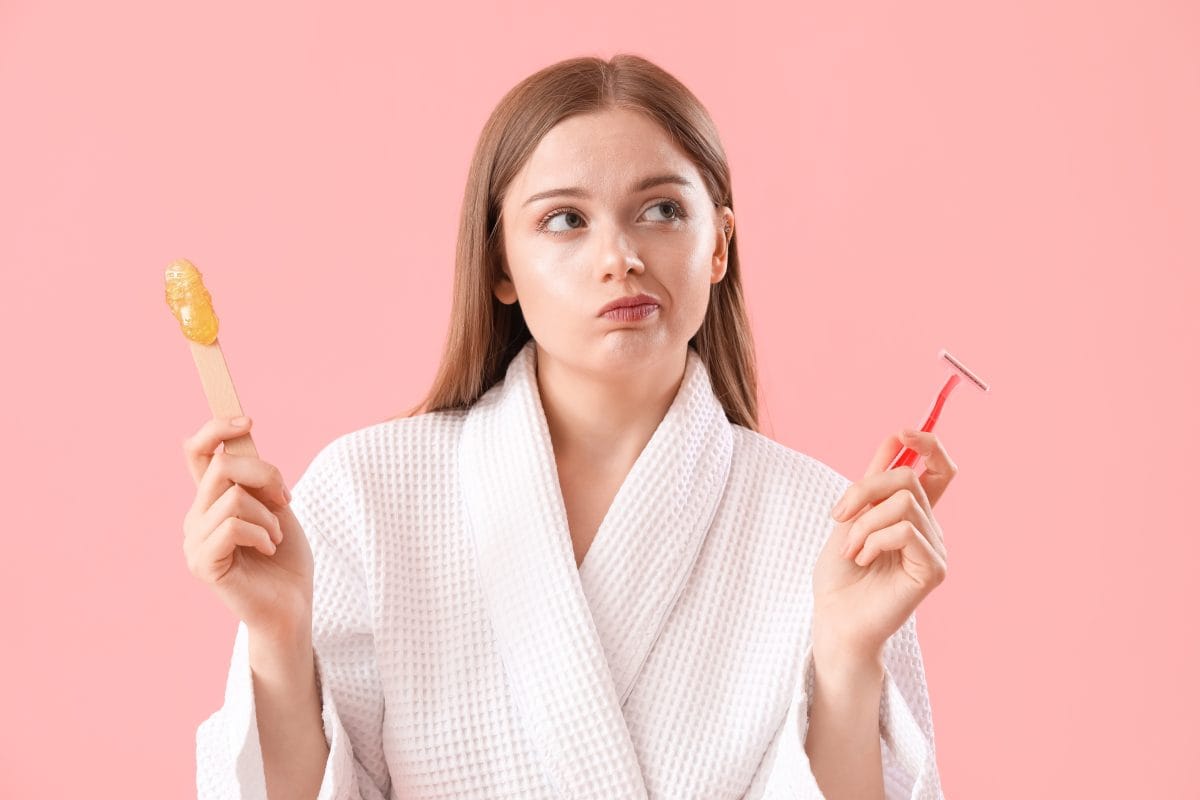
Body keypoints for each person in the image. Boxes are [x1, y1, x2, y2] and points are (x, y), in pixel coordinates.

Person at [185, 53, 950, 800]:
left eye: (662, 211)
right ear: (500, 266)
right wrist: (280, 642)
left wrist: (850, 661)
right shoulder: (367, 494)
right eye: (564, 220)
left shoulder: (828, 529)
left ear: (717, 245)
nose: (619, 257)